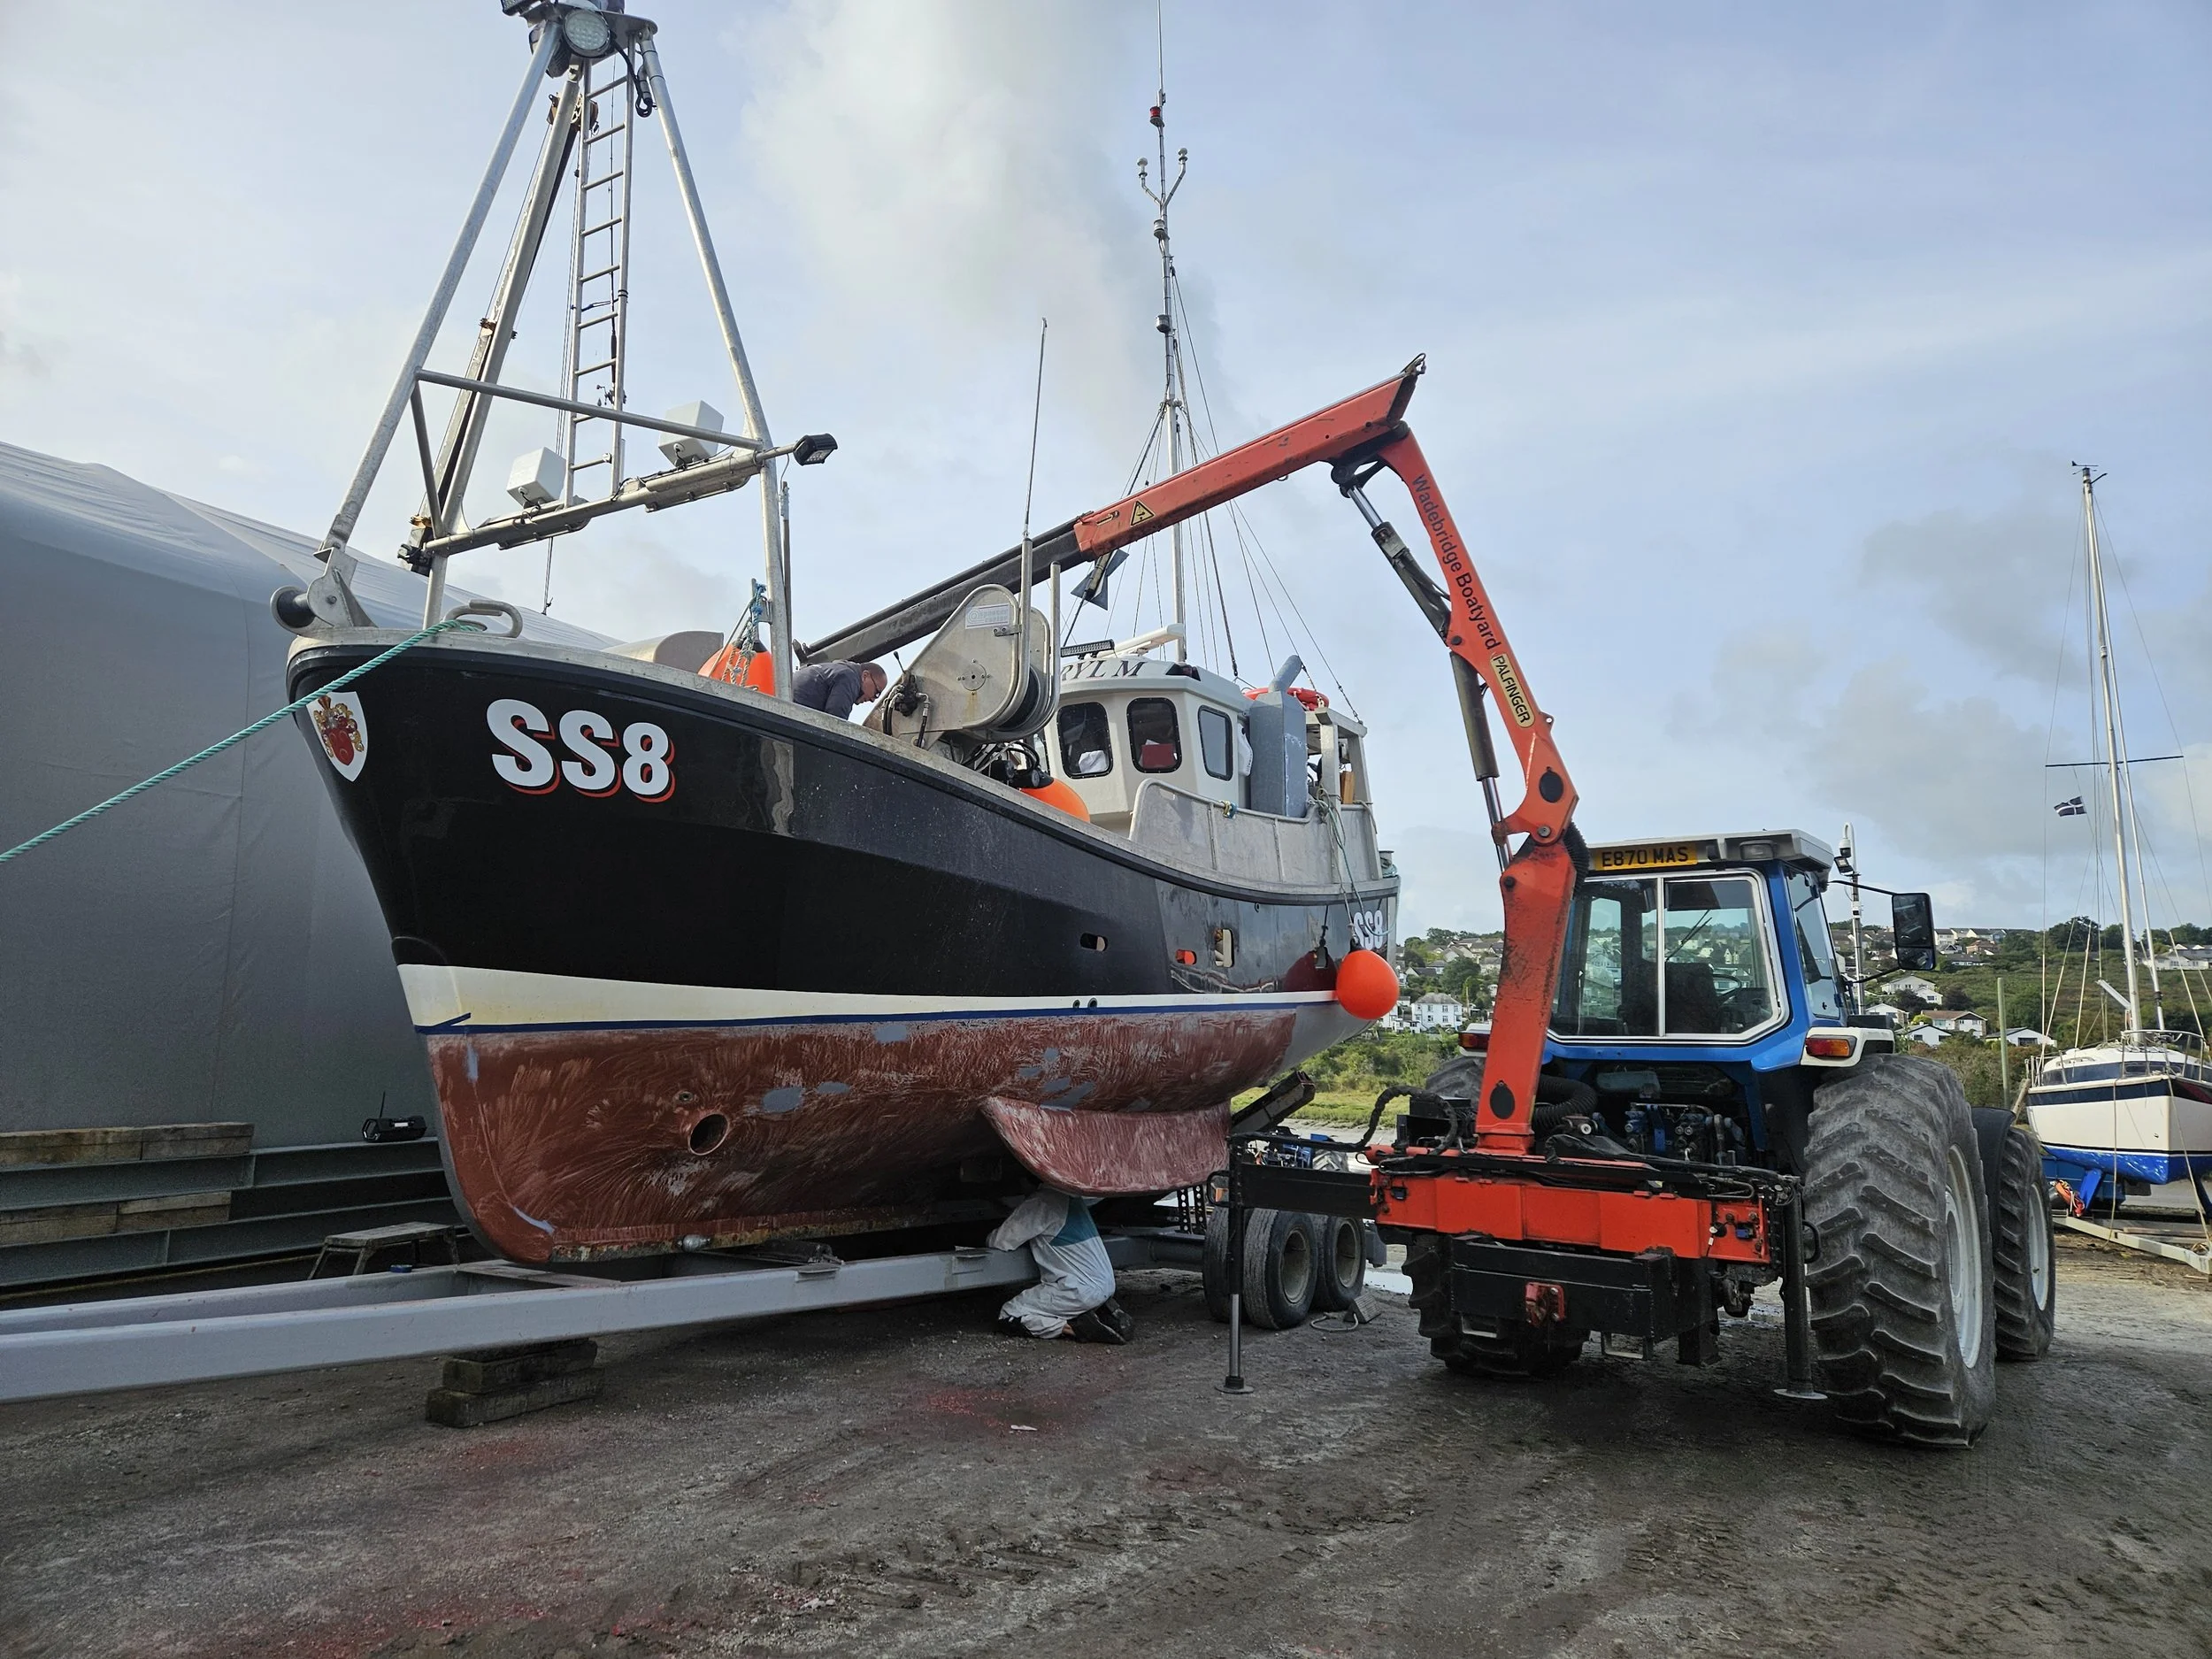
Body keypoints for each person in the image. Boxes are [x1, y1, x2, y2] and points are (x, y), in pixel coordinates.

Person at [987, 1187, 1133, 1344]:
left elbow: (1000, 1241)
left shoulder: (1041, 1202)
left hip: (1078, 1290)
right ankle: (1102, 1313)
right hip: (1106, 1284)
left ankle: (1077, 1328)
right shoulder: (1071, 1199)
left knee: (1009, 1315)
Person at [790, 659, 887, 719]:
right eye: (877, 692)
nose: (873, 699)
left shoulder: (837, 670)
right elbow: (836, 723)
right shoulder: (850, 678)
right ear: (865, 676)